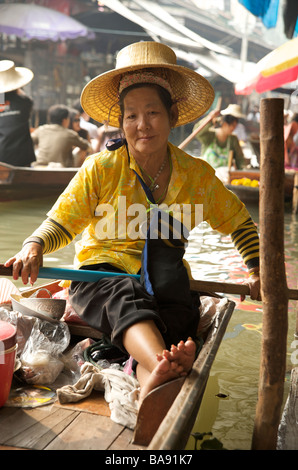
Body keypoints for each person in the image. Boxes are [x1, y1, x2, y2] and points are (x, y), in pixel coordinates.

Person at [5, 41, 261, 404]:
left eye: (153, 113)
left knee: (176, 317)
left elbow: (240, 223)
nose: (142, 125)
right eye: (131, 115)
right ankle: (160, 363)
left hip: (166, 280)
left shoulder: (197, 176)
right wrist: (33, 246)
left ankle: (153, 378)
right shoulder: (101, 167)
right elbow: (60, 222)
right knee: (125, 300)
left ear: (172, 114)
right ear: (121, 121)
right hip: (101, 278)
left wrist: (256, 269)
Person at [0, 60, 36, 167]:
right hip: (22, 157)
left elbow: (3, 99)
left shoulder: (1, 98)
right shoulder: (25, 102)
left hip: (1, 156)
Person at [193, 104, 246, 169]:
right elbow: (197, 132)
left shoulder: (233, 140)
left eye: (234, 126)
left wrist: (243, 172)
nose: (233, 128)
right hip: (205, 176)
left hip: (224, 177)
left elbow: (240, 160)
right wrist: (209, 118)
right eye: (231, 125)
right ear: (224, 123)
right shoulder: (209, 136)